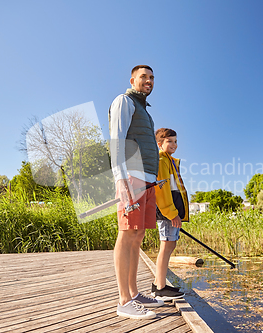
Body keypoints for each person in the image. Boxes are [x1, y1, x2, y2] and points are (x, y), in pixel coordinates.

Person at [109, 65, 164, 320]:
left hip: (148, 179)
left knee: (139, 234)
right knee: (127, 233)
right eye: (144, 77)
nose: (149, 80)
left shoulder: (144, 110)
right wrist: (120, 180)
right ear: (133, 79)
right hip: (131, 176)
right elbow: (117, 141)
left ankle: (134, 293)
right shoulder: (124, 101)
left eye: (152, 77)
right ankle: (123, 301)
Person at [152, 128, 188, 301]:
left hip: (171, 211)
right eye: (169, 141)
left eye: (175, 141)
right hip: (168, 212)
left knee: (169, 246)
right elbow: (162, 190)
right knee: (166, 247)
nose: (174, 144)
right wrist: (171, 213)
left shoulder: (170, 161)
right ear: (159, 144)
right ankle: (160, 289)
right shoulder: (161, 160)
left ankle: (157, 283)